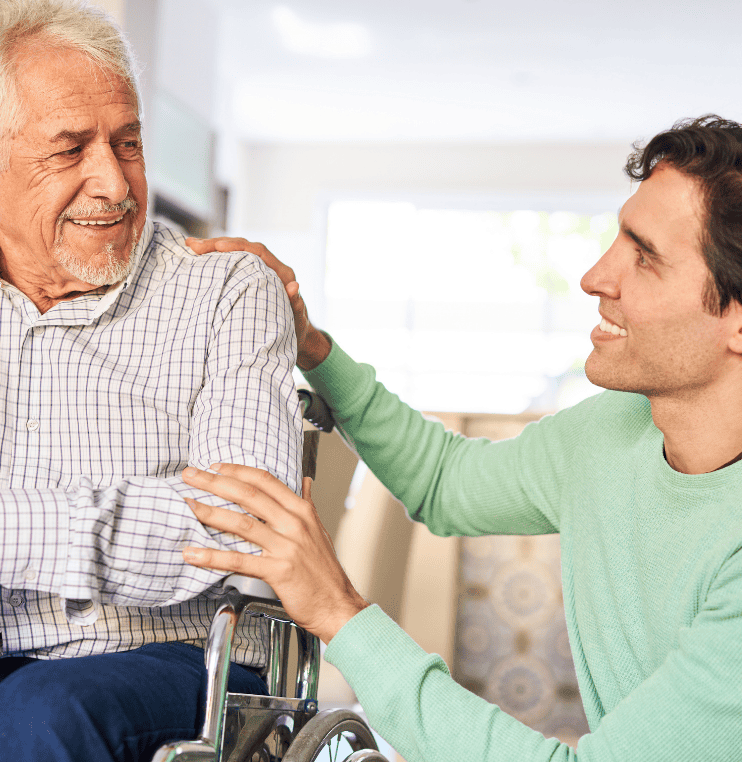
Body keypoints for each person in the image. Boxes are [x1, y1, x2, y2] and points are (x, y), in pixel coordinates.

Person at [180, 116, 742, 761]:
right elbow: (444, 483)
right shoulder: (611, 429)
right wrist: (313, 349)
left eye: (644, 258)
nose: (595, 276)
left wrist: (339, 610)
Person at [0, 0, 302, 762]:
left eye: (128, 142)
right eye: (71, 149)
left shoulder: (228, 289)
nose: (114, 183)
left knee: (46, 711)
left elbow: (236, 523)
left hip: (173, 661)